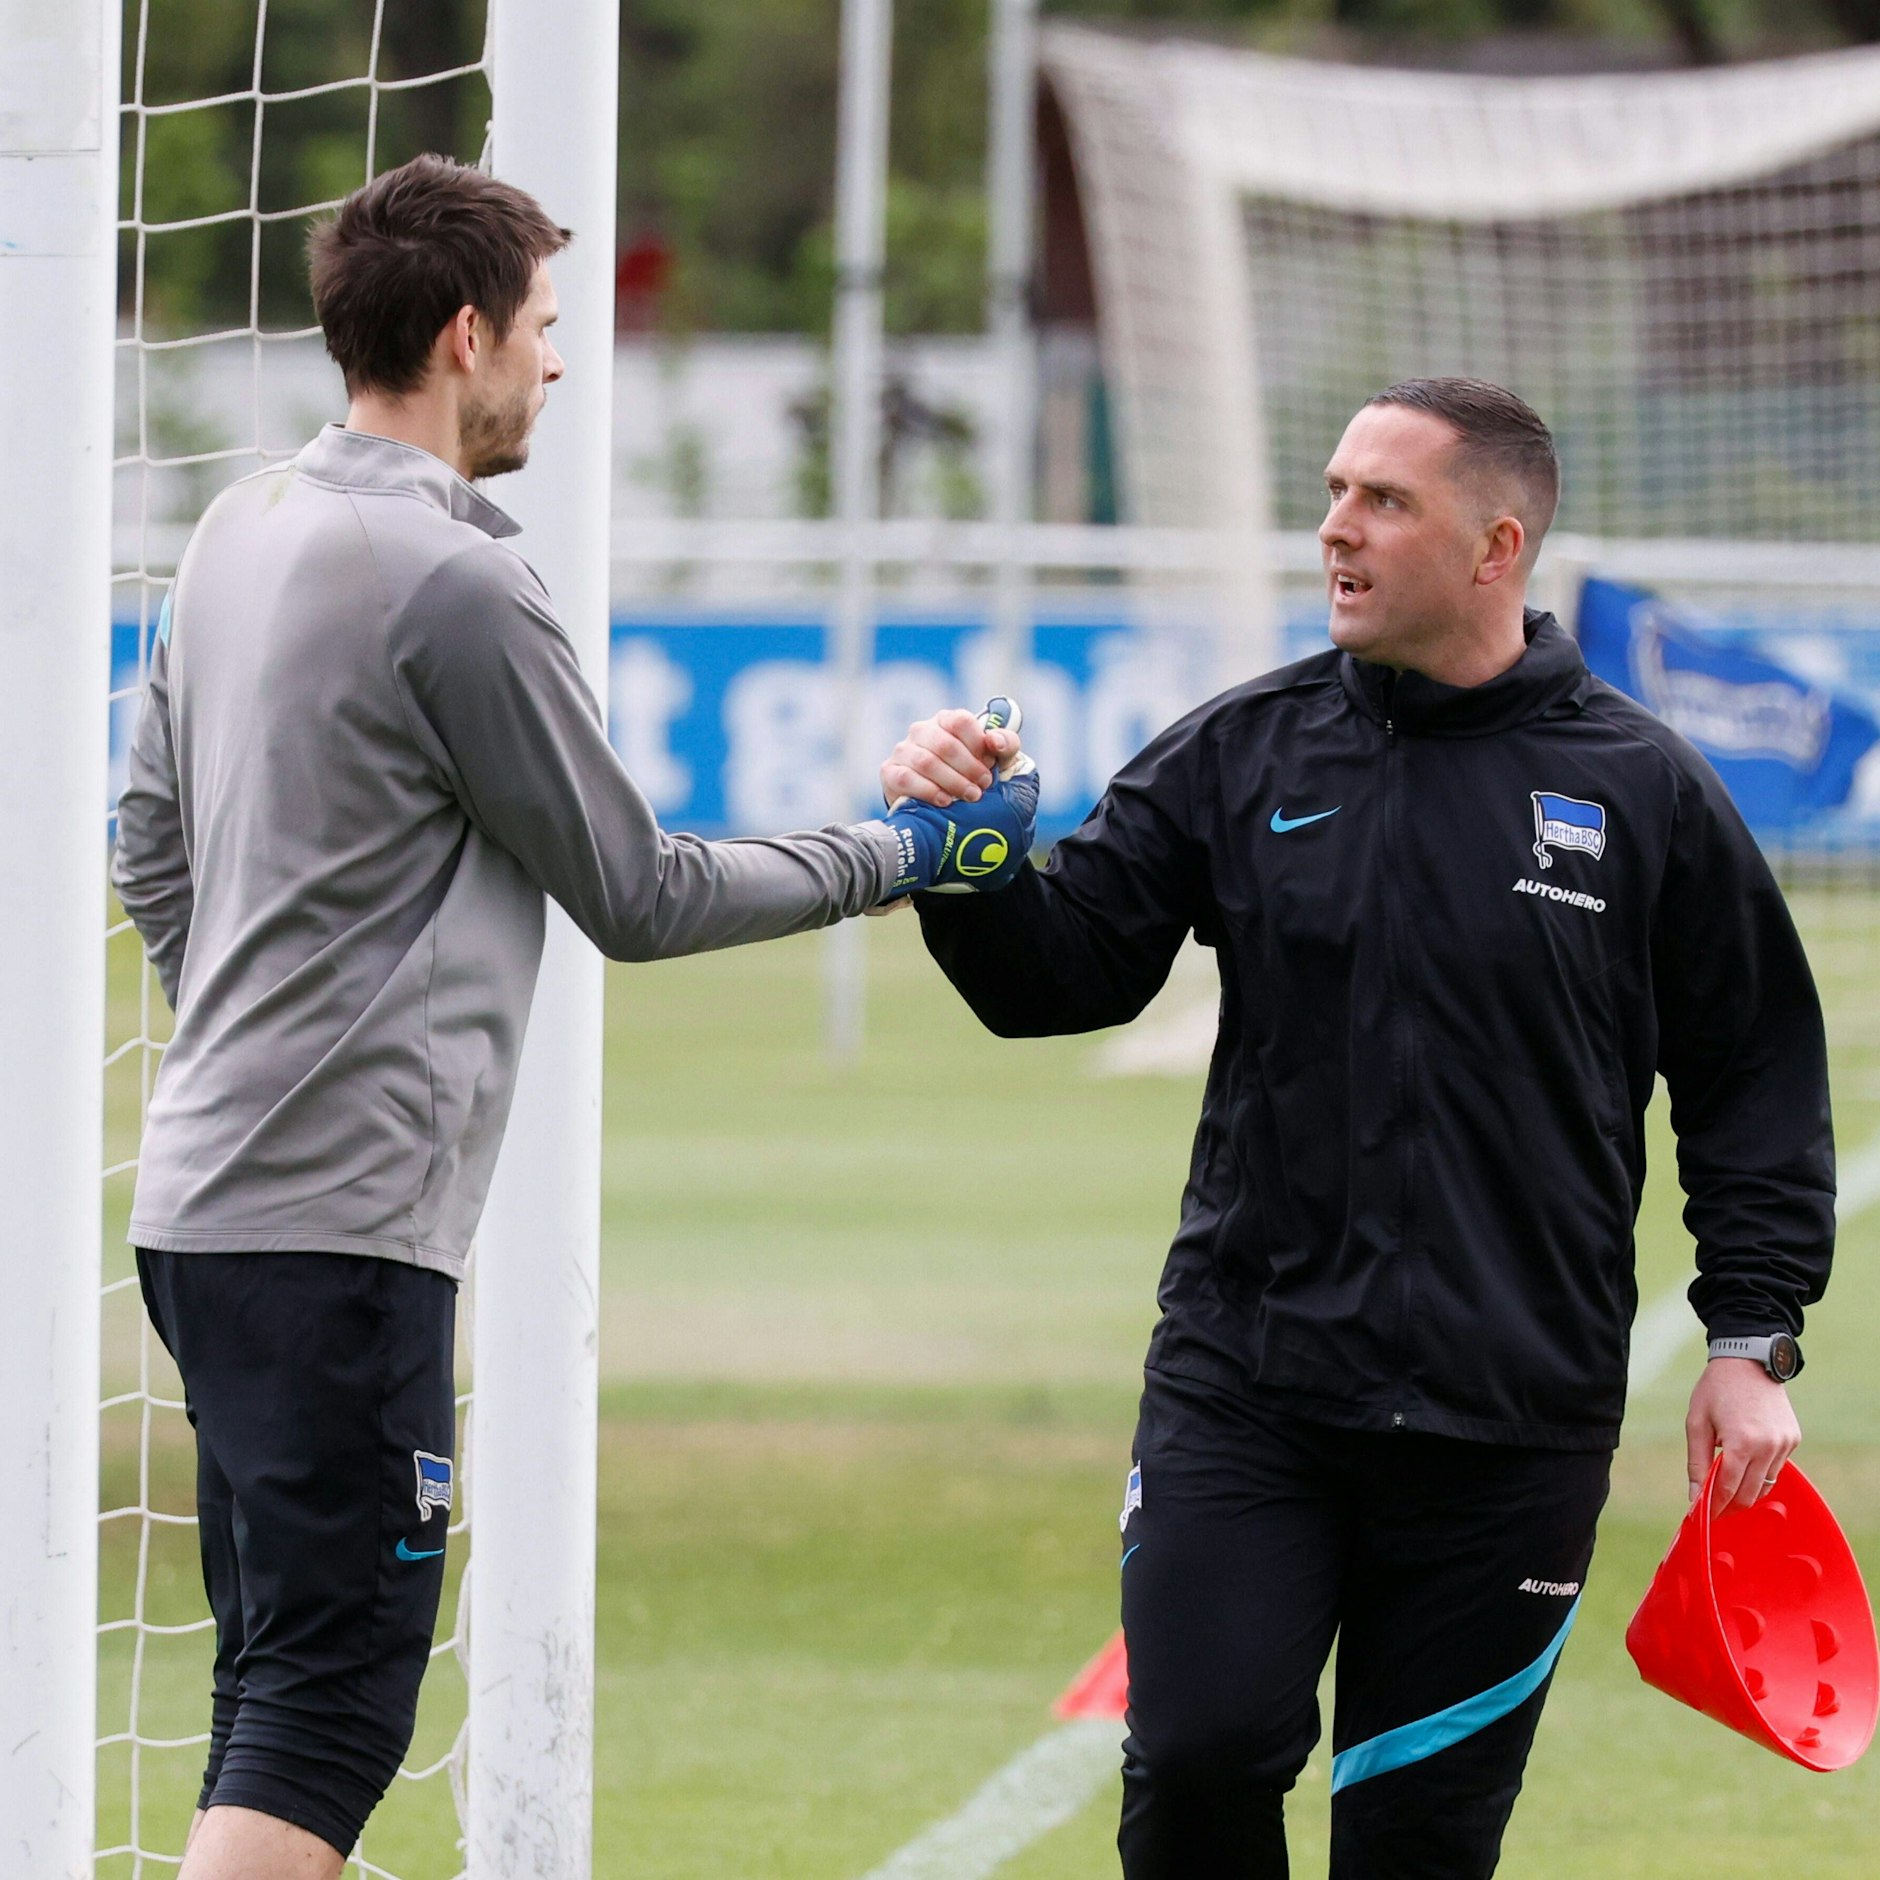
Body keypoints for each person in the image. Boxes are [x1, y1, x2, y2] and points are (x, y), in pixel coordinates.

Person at [111, 153, 1034, 1880]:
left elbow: (146, 846)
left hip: (207, 1207)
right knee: (323, 1719)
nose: (559, 362)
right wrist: (906, 853)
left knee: (275, 1698)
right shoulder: (451, 581)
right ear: (463, 334)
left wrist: (253, 1036)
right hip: (333, 1240)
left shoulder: (238, 525)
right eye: (543, 327)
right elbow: (642, 889)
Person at [881, 378, 1834, 1878]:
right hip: (1250, 1388)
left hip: (1514, 1419)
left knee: (1418, 1845)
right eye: (1334, 492)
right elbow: (1060, 981)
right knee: (1197, 1756)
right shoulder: (1242, 752)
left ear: (1495, 545)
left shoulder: (1642, 789)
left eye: (1384, 501)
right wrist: (974, 861)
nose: (1336, 527)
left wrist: (1749, 1338)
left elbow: (1755, 1078)